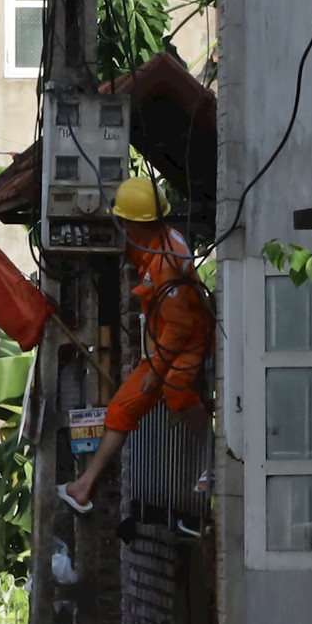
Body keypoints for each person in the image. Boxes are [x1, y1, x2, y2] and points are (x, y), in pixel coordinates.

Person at [59, 177, 214, 512]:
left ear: (135, 225)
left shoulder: (166, 262)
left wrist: (156, 371)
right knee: (121, 409)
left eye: (124, 222)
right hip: (163, 346)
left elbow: (180, 326)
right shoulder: (155, 242)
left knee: (176, 390)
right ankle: (83, 487)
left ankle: (215, 461)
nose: (122, 229)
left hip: (186, 341)